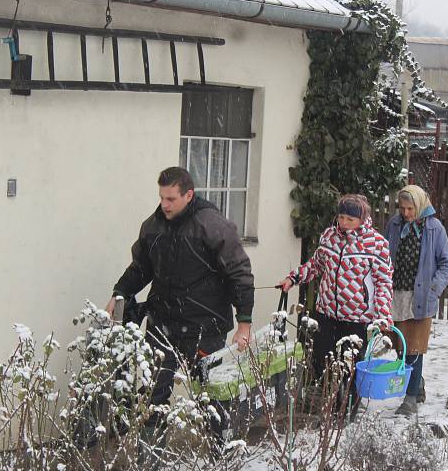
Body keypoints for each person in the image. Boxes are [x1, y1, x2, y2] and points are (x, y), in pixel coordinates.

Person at [106, 166, 254, 448]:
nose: (164, 204)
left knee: (210, 395)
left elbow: (239, 273)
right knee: (153, 393)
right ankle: (148, 464)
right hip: (162, 323)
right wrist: (120, 292)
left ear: (189, 195)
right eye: (161, 197)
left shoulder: (211, 225)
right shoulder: (153, 226)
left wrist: (244, 322)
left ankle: (219, 455)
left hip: (205, 326)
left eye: (171, 199)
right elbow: (140, 268)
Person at [279, 194, 393, 410]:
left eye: (350, 219)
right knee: (324, 362)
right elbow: (316, 265)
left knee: (350, 369)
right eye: (341, 217)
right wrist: (293, 278)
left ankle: (348, 410)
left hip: (357, 318)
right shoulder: (330, 236)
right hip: (327, 313)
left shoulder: (377, 244)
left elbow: (384, 282)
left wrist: (383, 315)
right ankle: (330, 406)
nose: (344, 223)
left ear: (362, 218)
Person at [384, 185, 448, 416]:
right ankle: (417, 382)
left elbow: (447, 262)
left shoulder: (434, 228)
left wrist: (434, 288)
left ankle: (410, 398)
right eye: (402, 208)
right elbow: (384, 254)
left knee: (414, 348)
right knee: (400, 346)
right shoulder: (394, 225)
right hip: (396, 295)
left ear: (420, 205)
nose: (405, 213)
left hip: (421, 297)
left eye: (410, 208)